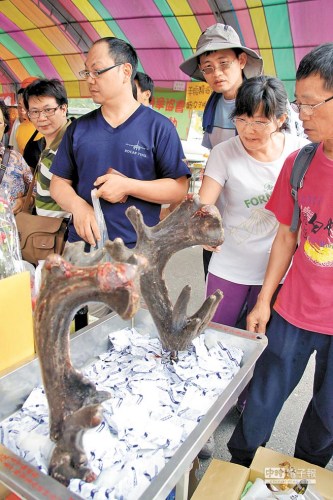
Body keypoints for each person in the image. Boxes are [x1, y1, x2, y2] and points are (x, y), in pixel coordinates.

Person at [227, 43, 333, 469]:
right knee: (263, 401)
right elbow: (287, 238)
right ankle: (236, 467)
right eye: (299, 104)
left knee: (327, 419)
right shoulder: (301, 162)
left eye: (309, 105)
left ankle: (307, 471)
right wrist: (264, 300)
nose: (300, 115)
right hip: (293, 310)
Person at [197, 76, 308, 459]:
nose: (250, 130)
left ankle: (244, 402)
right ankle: (209, 408)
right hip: (228, 265)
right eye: (243, 119)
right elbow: (206, 202)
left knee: (258, 342)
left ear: (281, 119)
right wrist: (206, 219)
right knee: (216, 342)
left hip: (276, 270)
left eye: (261, 121)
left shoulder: (298, 152)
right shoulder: (225, 152)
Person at [50, 37, 190, 249]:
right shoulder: (78, 128)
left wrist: (128, 186)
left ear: (125, 71)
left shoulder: (159, 127)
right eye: (87, 72)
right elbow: (58, 183)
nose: (89, 79)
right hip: (82, 247)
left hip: (136, 249)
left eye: (97, 71)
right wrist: (78, 207)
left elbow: (179, 188)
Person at [180, 23, 263, 279]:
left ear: (241, 60)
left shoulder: (264, 102)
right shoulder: (213, 105)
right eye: (208, 68)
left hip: (258, 214)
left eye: (224, 63)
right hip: (221, 217)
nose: (216, 73)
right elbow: (214, 160)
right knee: (217, 291)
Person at [22, 78, 71, 218]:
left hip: (65, 234)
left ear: (63, 108)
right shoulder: (46, 143)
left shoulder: (71, 146)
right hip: (46, 232)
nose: (41, 118)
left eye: (48, 110)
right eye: (35, 112)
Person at [0, 100, 34, 214]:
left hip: (14, 228)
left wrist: (24, 201)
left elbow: (36, 191)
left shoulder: (15, 159)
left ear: (4, 127)